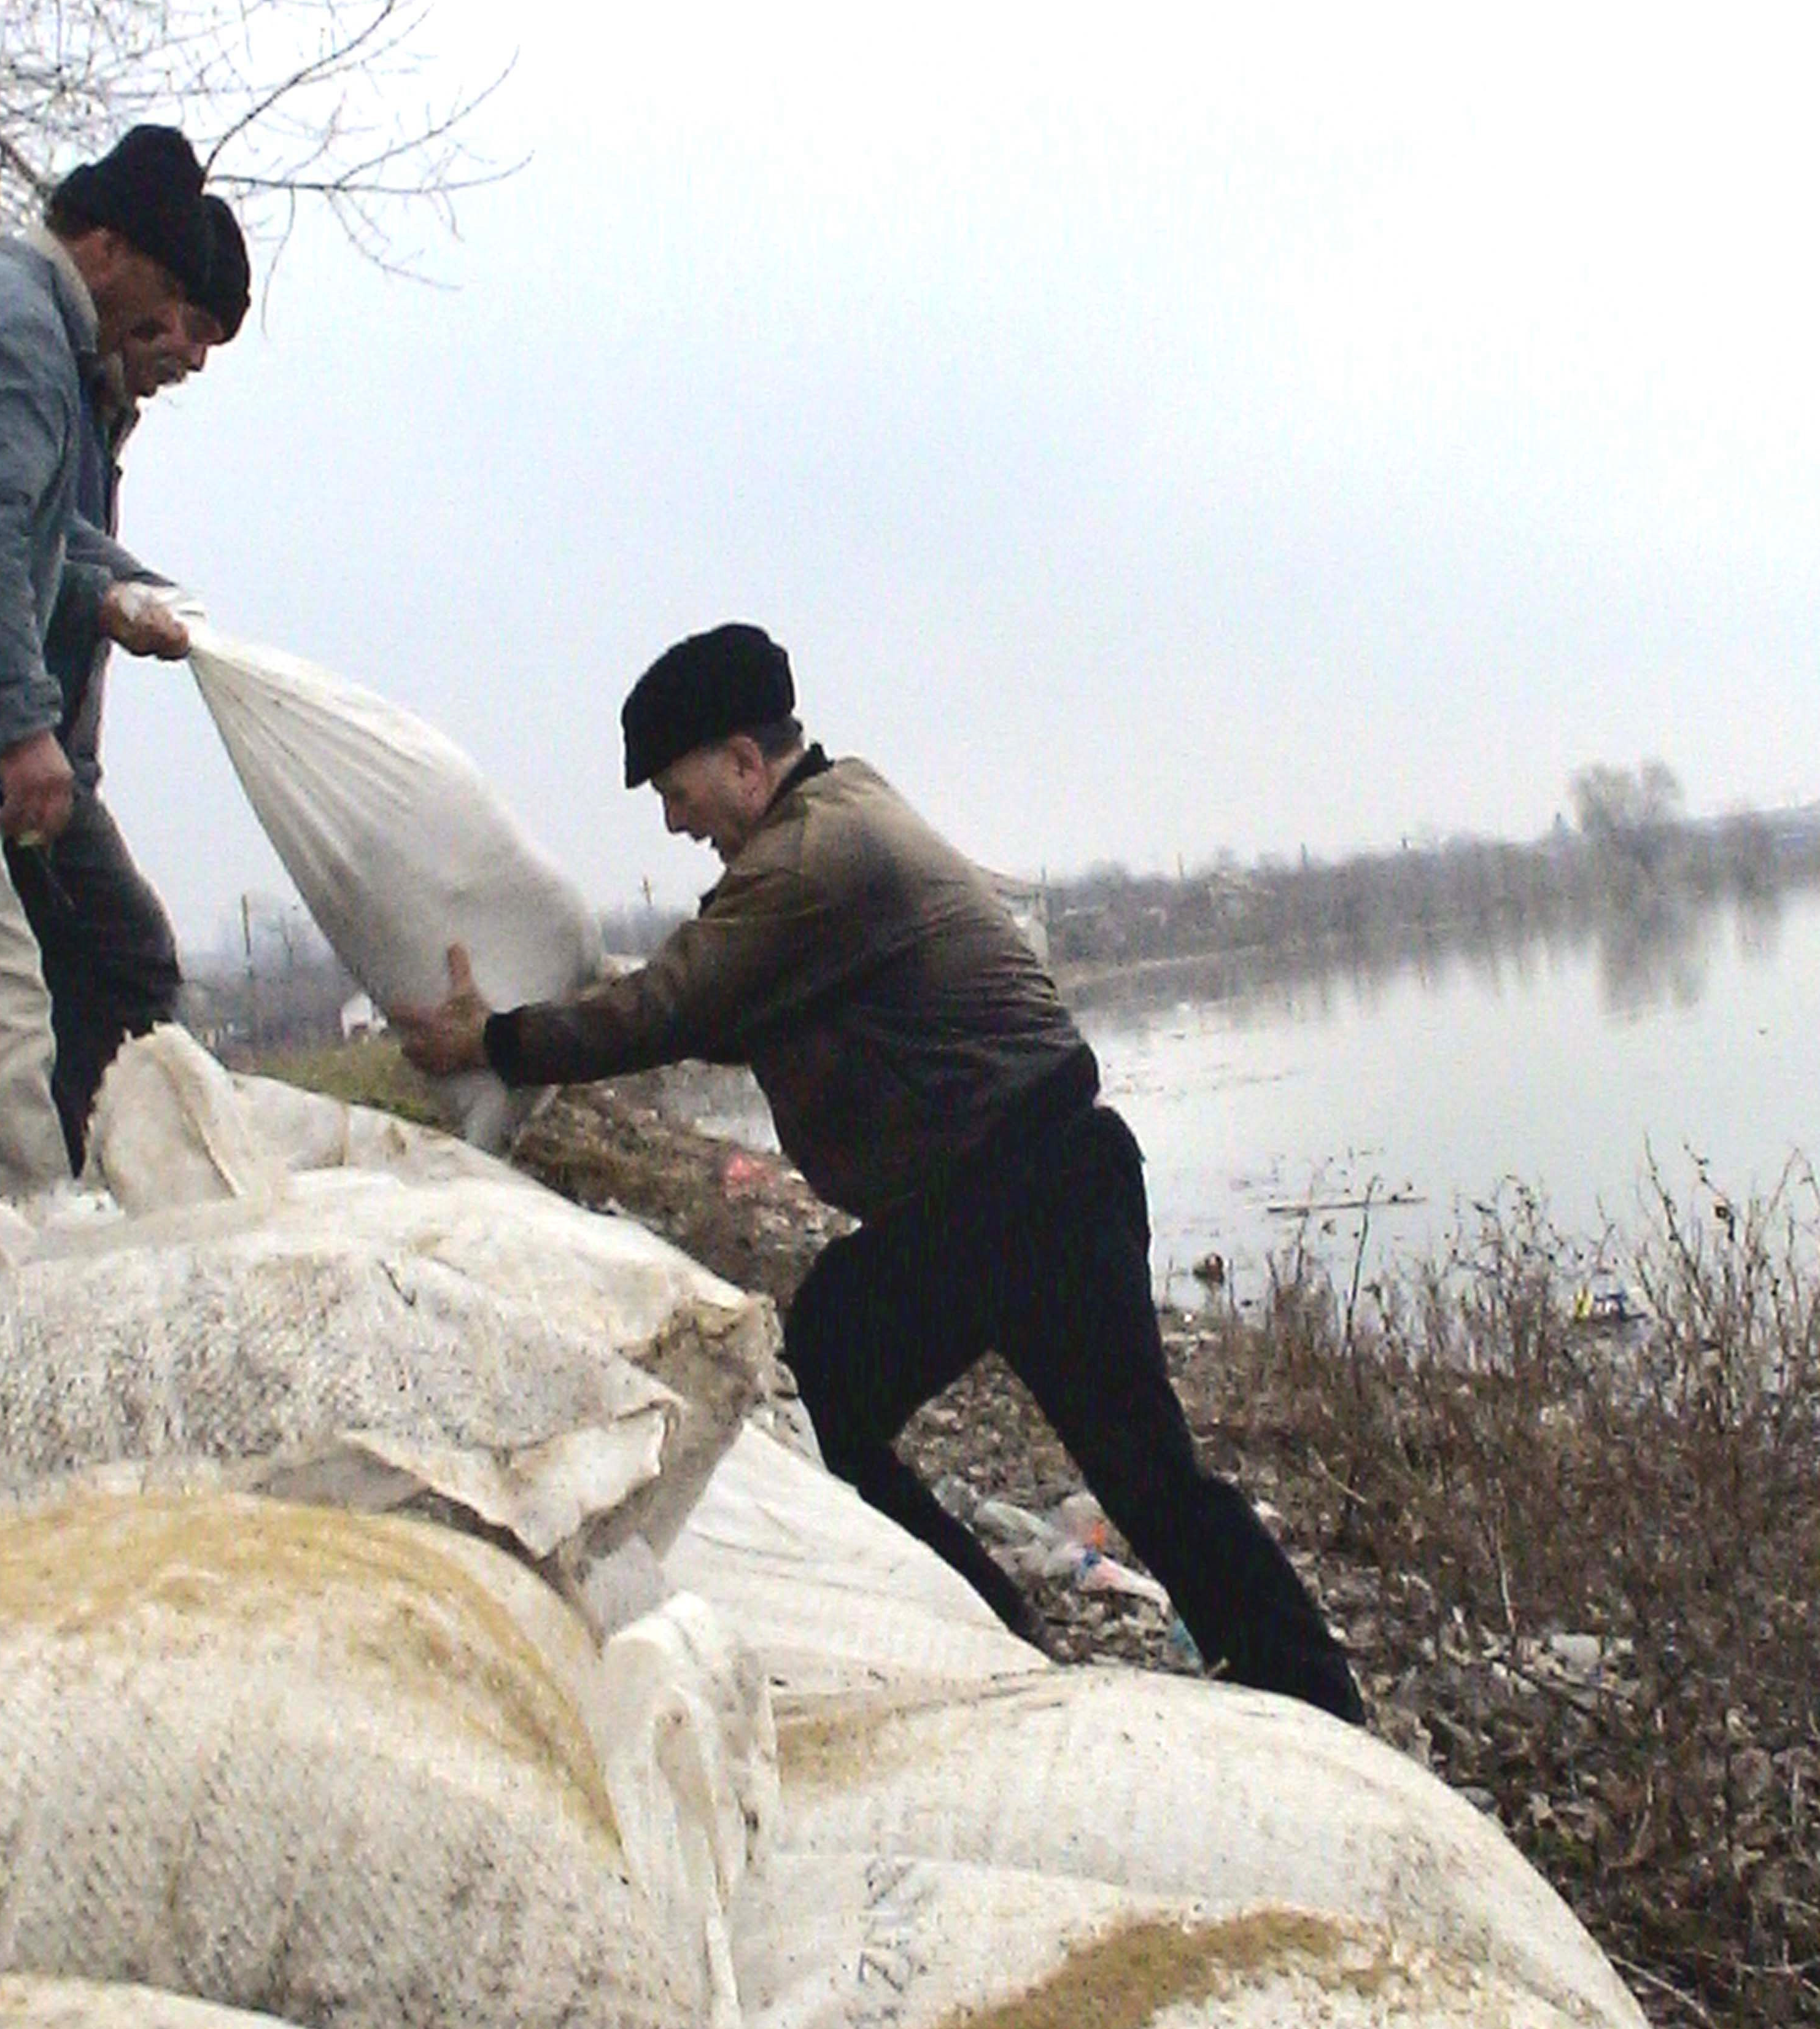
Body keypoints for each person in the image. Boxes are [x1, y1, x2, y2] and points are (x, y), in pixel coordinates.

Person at [397, 623, 1366, 1723]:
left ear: (745, 763)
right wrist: (563, 1016)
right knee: (825, 1398)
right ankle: (998, 1640)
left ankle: (1306, 1702)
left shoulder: (815, 860)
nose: (674, 821)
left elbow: (673, 1010)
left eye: (676, 790)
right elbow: (725, 1006)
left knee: (1138, 1475)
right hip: (981, 1203)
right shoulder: (831, 819)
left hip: (1032, 1192)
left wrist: (498, 1042)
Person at [0, 122, 239, 1192]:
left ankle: (51, 1213)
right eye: (168, 290)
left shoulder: (27, 329)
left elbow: (33, 526)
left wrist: (122, 589)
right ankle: (15, 1272)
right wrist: (22, 726)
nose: (170, 326)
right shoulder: (17, 329)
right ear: (108, 250)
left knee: (56, 978)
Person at [13, 180, 249, 1164]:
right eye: (185, 325)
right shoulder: (21, 345)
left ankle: (97, 1169)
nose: (186, 356)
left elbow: (49, 540)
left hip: (50, 751)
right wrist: (116, 596)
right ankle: (115, 1177)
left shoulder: (99, 411)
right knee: (119, 959)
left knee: (111, 962)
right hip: (1, 744)